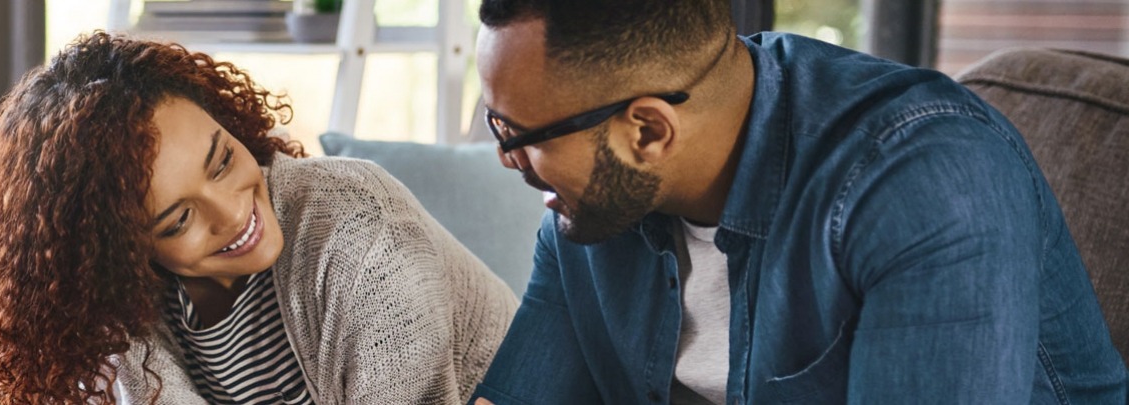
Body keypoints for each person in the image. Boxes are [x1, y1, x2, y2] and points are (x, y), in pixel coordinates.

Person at [466, 0, 1127, 404]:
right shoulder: (594, 209)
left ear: (647, 130)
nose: (504, 156)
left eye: (518, 133)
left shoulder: (926, 181)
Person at [0, 31, 518, 404]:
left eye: (223, 159)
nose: (232, 212)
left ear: (225, 118)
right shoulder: (125, 311)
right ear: (124, 253)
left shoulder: (360, 232)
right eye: (178, 221)